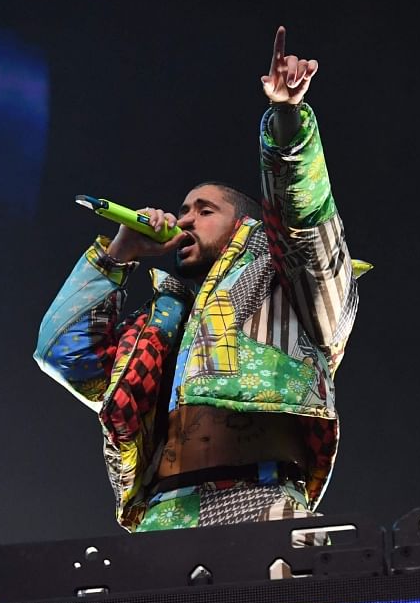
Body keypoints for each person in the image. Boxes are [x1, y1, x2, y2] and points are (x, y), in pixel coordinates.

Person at [35, 27, 362, 534]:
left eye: (203, 210)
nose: (184, 219)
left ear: (245, 226)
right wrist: (121, 253)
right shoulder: (160, 328)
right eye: (183, 209)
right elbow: (64, 356)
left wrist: (286, 118)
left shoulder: (294, 286)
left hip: (260, 501)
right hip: (161, 517)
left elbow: (303, 217)